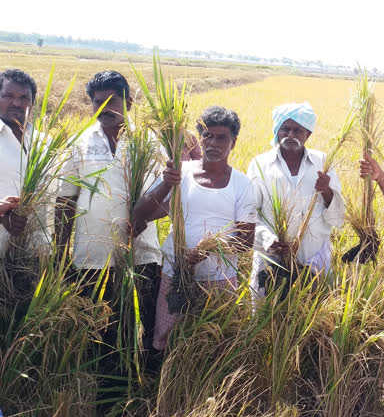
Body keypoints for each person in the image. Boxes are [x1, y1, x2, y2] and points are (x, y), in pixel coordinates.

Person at [55, 71, 164, 351]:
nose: (103, 108)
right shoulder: (80, 142)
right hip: (91, 256)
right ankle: (103, 386)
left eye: (111, 101)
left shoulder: (148, 142)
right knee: (99, 329)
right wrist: (60, 253)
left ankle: (144, 382)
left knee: (145, 324)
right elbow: (66, 201)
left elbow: (165, 199)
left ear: (128, 104)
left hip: (141, 252)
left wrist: (143, 218)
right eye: (96, 102)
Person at [133, 106, 257, 350]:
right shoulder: (180, 173)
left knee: (214, 340)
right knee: (166, 338)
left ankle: (203, 385)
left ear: (234, 142)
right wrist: (165, 185)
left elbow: (245, 241)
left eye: (221, 137)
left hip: (219, 279)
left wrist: (209, 248)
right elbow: (140, 213)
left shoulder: (243, 185)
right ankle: (165, 383)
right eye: (207, 135)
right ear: (199, 138)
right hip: (174, 272)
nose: (213, 143)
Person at [248, 102, 344, 298]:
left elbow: (338, 217)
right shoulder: (260, 164)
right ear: (277, 131)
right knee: (267, 316)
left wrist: (326, 190)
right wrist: (268, 240)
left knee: (312, 315)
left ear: (307, 135)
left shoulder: (322, 162)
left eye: (297, 130)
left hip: (314, 256)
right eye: (285, 129)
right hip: (271, 258)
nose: (290, 135)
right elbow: (249, 212)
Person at [0, 69, 45, 256]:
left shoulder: (44, 142)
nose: (17, 103)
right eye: (8, 96)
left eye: (24, 98)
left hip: (37, 251)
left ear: (32, 102)